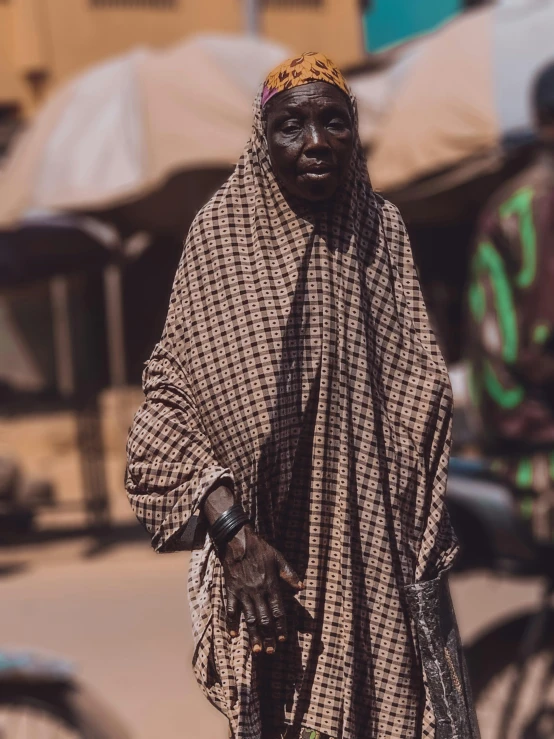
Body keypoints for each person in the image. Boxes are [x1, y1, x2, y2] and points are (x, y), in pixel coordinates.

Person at [126, 53, 477, 739]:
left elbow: (419, 395)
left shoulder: (382, 232)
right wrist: (232, 537)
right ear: (264, 138)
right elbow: (164, 418)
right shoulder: (221, 239)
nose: (315, 143)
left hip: (378, 572)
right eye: (293, 125)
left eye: (333, 122)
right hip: (266, 573)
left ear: (353, 134)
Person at [466, 61, 554, 542]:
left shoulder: (509, 203)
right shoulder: (533, 207)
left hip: (515, 436)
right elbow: (536, 351)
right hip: (537, 452)